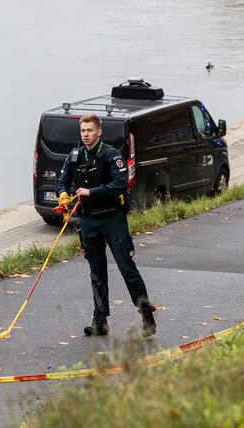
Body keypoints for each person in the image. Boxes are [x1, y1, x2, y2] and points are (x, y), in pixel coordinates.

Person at [56, 114, 157, 338]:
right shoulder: (74, 156)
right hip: (89, 220)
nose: (86, 135)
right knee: (96, 272)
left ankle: (147, 317)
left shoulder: (111, 155)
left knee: (126, 268)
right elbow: (62, 181)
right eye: (83, 131)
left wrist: (90, 192)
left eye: (90, 130)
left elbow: (120, 185)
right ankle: (99, 321)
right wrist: (63, 194)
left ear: (99, 132)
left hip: (113, 219)